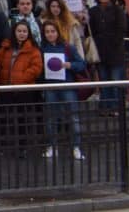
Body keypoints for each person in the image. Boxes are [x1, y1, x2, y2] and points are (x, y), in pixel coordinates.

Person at [39, 20, 86, 160]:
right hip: (50, 87)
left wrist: (69, 65)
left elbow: (82, 64)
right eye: (47, 32)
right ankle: (51, 146)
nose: (50, 34)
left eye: (52, 31)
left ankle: (76, 146)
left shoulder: (68, 47)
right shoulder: (42, 49)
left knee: (73, 117)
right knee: (51, 118)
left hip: (67, 86)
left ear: (58, 32)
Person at [0, 21, 42, 154]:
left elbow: (36, 69)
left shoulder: (33, 50)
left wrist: (21, 78)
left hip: (24, 89)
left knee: (23, 119)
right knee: (4, 119)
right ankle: (2, 146)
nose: (22, 34)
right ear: (14, 32)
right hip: (6, 88)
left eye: (24, 31)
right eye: (19, 31)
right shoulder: (5, 48)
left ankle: (23, 147)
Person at [89, 0, 128, 114]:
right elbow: (91, 30)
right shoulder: (93, 11)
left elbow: (122, 29)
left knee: (115, 81)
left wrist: (113, 43)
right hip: (100, 52)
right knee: (104, 81)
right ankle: (105, 108)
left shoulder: (118, 10)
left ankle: (116, 108)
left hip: (115, 52)